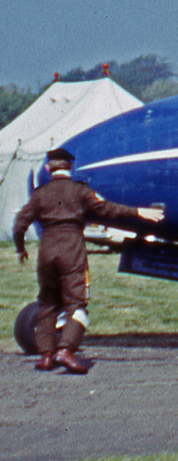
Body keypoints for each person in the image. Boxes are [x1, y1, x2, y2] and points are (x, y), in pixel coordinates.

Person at [12, 147, 164, 373]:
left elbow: (19, 225)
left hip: (46, 252)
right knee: (78, 305)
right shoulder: (80, 191)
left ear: (48, 168)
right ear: (70, 167)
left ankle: (46, 356)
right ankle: (66, 349)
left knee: (47, 304)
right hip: (71, 251)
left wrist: (21, 249)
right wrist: (138, 212)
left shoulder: (40, 194)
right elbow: (107, 209)